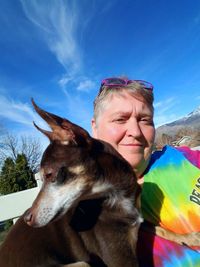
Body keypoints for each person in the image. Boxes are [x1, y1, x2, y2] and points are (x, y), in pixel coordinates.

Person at [91, 77, 200, 266]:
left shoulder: (184, 159)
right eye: (120, 119)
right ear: (95, 127)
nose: (135, 131)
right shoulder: (87, 210)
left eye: (144, 120)